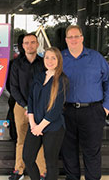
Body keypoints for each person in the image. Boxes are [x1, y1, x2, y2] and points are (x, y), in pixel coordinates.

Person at [61, 25, 109, 180]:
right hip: (67, 111)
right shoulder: (60, 58)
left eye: (76, 36)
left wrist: (105, 107)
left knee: (91, 151)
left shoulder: (96, 58)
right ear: (66, 40)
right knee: (68, 150)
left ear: (82, 38)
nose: (73, 40)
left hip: (92, 111)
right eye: (70, 37)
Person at [23, 47, 68, 180]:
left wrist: (39, 127)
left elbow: (55, 109)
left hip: (53, 128)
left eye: (53, 57)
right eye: (47, 57)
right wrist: (32, 124)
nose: (50, 60)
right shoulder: (39, 76)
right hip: (35, 125)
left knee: (51, 163)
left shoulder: (62, 80)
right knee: (28, 158)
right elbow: (31, 99)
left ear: (59, 60)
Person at [10, 33, 46, 180]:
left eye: (32, 42)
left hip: (39, 107)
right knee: (21, 139)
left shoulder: (44, 63)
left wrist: (35, 107)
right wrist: (26, 106)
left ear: (37, 44)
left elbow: (47, 87)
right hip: (21, 107)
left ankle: (42, 172)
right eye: (26, 43)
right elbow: (13, 87)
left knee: (39, 139)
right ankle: (19, 171)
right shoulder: (16, 64)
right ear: (22, 45)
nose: (29, 45)